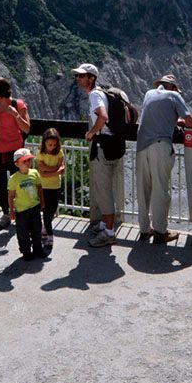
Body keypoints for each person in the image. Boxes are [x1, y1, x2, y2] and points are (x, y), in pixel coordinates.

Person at [135, 74, 192, 244]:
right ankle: (160, 232)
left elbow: (157, 116)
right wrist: (181, 122)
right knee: (160, 190)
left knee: (143, 190)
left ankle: (144, 230)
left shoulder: (148, 94)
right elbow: (191, 122)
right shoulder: (174, 96)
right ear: (173, 87)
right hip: (160, 145)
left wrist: (174, 121)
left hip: (141, 146)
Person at [72, 63, 121, 248]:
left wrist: (91, 132)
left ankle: (109, 233)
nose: (78, 79)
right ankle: (104, 224)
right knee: (105, 189)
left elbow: (103, 116)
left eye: (81, 76)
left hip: (102, 147)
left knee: (103, 191)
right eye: (77, 76)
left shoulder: (94, 94)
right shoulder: (104, 92)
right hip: (114, 145)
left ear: (91, 78)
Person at [0, 78, 31, 232]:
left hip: (15, 152)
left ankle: (22, 214)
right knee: (2, 185)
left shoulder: (18, 105)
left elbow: (26, 128)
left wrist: (16, 115)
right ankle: (6, 214)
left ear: (2, 96)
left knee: (19, 183)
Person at [8, 148, 46, 260]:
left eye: (28, 160)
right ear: (16, 164)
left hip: (34, 207)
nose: (27, 163)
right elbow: (11, 196)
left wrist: (42, 202)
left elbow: (39, 188)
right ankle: (26, 251)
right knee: (23, 233)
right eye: (24, 161)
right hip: (21, 211)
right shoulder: (14, 179)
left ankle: (38, 249)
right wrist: (11, 210)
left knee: (37, 230)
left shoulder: (34, 173)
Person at [35, 129, 65, 252]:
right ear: (44, 143)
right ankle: (49, 235)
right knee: (46, 211)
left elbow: (62, 168)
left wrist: (48, 169)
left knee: (52, 210)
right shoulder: (40, 153)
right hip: (44, 186)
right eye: (49, 145)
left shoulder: (59, 152)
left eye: (54, 145)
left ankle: (44, 229)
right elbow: (42, 172)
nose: (52, 147)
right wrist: (55, 170)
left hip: (56, 185)